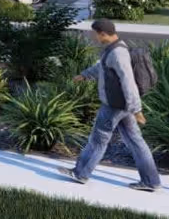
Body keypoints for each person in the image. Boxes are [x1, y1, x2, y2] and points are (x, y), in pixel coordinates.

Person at [58, 18, 161, 192]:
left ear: (103, 34)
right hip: (123, 106)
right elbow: (103, 68)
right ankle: (151, 182)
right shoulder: (116, 48)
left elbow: (128, 83)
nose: (95, 38)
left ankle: (81, 173)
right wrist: (84, 75)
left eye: (96, 34)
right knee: (136, 142)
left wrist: (137, 109)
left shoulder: (117, 54)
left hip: (115, 106)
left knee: (98, 141)